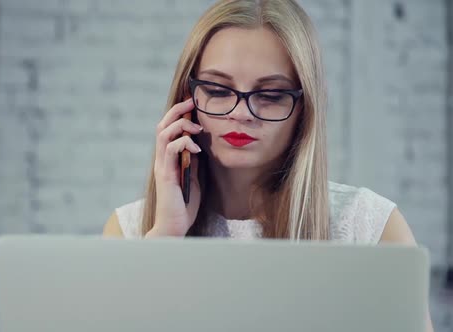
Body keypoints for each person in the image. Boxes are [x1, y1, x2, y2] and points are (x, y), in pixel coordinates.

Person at [102, 0, 433, 330]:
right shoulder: (131, 231)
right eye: (217, 90)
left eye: (271, 95)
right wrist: (166, 236)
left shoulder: (371, 229)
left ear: (305, 110)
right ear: (186, 102)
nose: (241, 113)